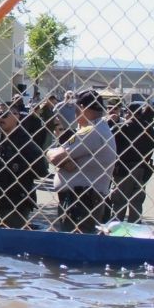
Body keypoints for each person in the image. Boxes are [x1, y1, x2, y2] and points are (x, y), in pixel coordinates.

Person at [46, 90, 117, 233]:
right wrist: (66, 161)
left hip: (81, 202)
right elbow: (62, 158)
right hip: (84, 200)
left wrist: (50, 152)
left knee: (72, 245)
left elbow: (55, 156)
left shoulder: (91, 131)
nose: (75, 112)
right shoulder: (99, 128)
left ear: (83, 107)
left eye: (76, 107)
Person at [0, 105, 47, 229]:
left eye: (5, 114)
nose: (0, 118)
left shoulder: (25, 141)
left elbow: (41, 170)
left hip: (16, 201)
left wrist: (20, 167)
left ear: (17, 116)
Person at [111, 102, 154, 222]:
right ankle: (134, 231)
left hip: (123, 169)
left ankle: (116, 231)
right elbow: (150, 149)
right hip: (142, 169)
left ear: (129, 113)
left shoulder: (121, 127)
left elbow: (111, 146)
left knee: (119, 203)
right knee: (136, 204)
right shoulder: (149, 129)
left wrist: (111, 122)